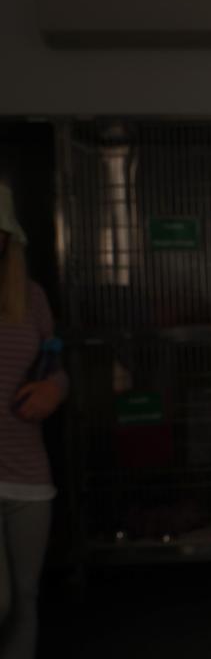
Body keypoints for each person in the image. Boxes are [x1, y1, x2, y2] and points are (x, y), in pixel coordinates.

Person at [0, 183, 69, 659]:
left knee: (25, 598)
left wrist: (53, 389)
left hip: (27, 471)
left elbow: (54, 364)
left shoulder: (30, 296)